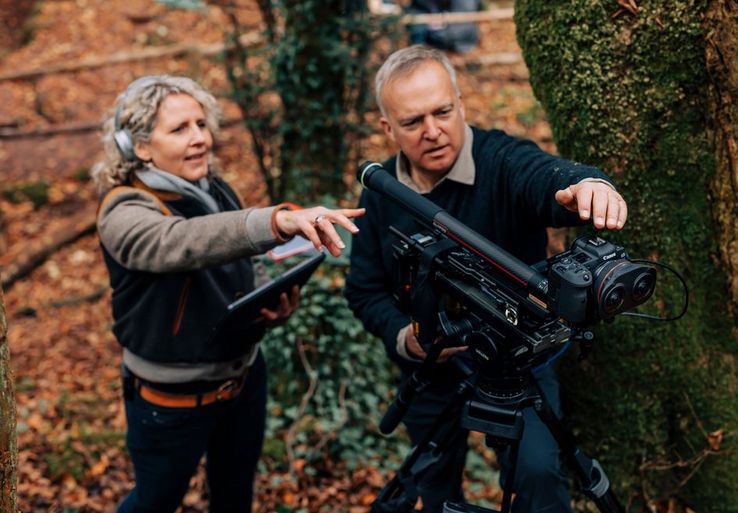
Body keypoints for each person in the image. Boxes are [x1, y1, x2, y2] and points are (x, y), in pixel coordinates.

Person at [344, 46, 627, 513]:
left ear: (460, 103)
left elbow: (546, 179)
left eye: (442, 111)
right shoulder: (381, 195)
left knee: (538, 475)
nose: (433, 132)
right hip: (432, 367)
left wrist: (587, 186)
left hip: (518, 361)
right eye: (413, 122)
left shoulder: (500, 160)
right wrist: (407, 338)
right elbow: (365, 289)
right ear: (387, 128)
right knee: (431, 484)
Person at [93, 75, 364, 513]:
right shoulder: (123, 210)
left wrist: (270, 305)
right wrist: (275, 222)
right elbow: (182, 242)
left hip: (243, 381)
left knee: (235, 496)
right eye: (179, 129)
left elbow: (245, 265)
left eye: (201, 124)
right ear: (139, 147)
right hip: (170, 399)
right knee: (155, 501)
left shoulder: (214, 189)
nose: (200, 138)